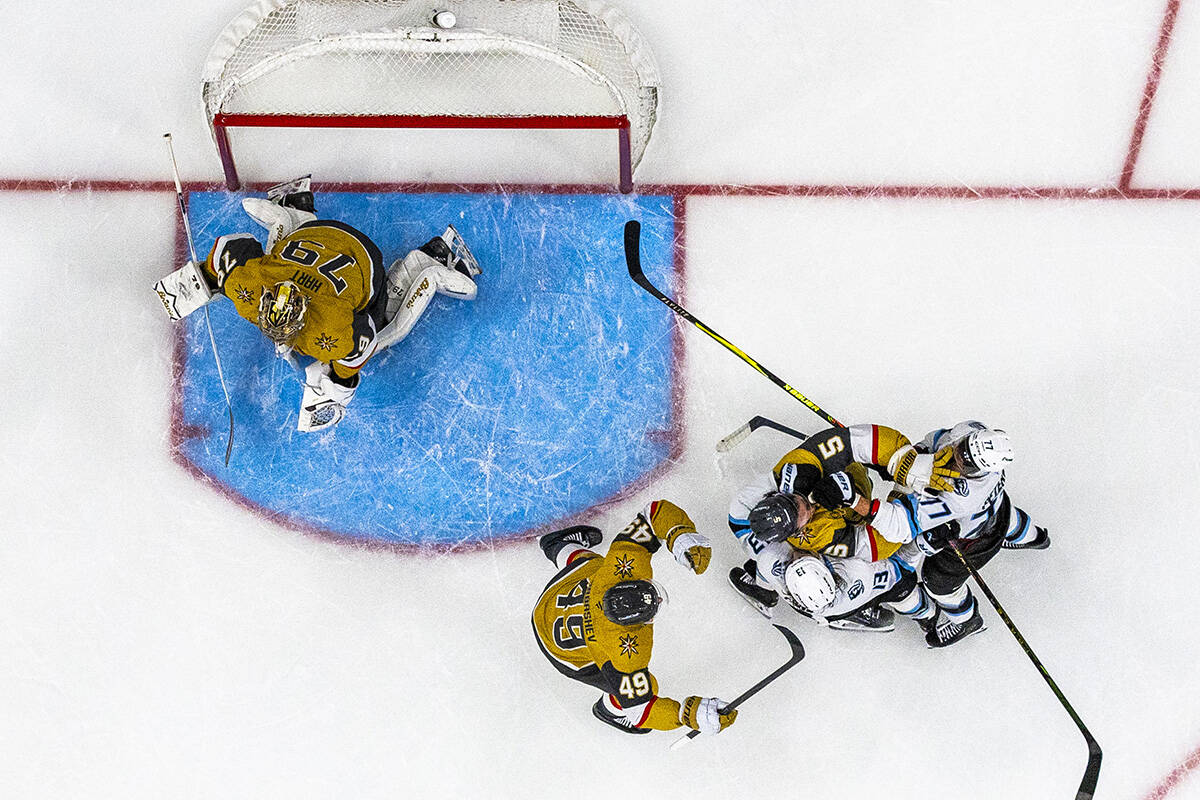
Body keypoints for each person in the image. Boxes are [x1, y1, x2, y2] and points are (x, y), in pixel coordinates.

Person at [198, 176, 481, 432]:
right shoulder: (250, 286)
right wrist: (207, 276)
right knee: (277, 260)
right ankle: (294, 212)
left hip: (363, 255)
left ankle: (427, 263)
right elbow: (228, 251)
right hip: (321, 237)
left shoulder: (326, 326)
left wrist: (337, 386)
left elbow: (365, 339)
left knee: (385, 330)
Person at [771, 421, 1049, 647]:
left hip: (972, 538)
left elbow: (901, 526)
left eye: (966, 465)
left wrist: (856, 500)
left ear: (982, 470)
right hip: (994, 507)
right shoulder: (968, 432)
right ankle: (1035, 536)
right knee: (1001, 513)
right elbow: (936, 439)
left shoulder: (960, 498)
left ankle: (967, 619)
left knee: (938, 582)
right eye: (962, 449)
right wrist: (910, 459)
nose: (956, 458)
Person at [531, 501, 738, 736]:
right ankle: (609, 710)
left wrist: (677, 532)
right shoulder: (624, 654)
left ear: (627, 582)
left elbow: (654, 513)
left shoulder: (617, 570)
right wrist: (684, 715)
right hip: (563, 652)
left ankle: (557, 544)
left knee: (594, 567)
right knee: (635, 687)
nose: (658, 602)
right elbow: (639, 712)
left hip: (551, 600)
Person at [726, 446, 907, 632]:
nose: (799, 549)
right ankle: (856, 613)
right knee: (903, 582)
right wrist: (902, 486)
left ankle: (764, 592)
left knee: (770, 555)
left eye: (796, 558)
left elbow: (743, 527)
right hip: (847, 597)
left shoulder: (770, 559)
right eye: (806, 555)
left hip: (819, 596)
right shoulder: (857, 571)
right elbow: (899, 549)